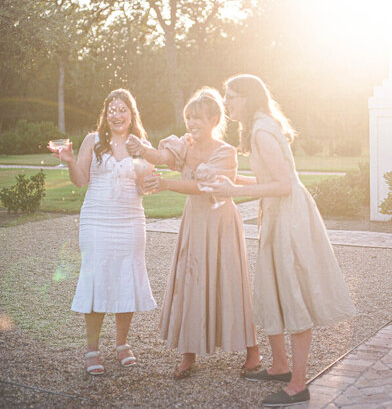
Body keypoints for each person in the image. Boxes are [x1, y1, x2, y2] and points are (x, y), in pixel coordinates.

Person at [207, 75, 356, 407]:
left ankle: (298, 385)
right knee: (271, 288)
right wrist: (232, 179)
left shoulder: (261, 130)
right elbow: (268, 178)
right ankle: (279, 367)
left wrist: (234, 190)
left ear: (249, 98)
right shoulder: (259, 127)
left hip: (289, 220)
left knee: (292, 292)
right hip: (279, 215)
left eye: (232, 96)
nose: (227, 102)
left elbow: (284, 185)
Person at [126, 87, 260, 379]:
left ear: (213, 119)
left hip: (221, 224)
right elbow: (161, 155)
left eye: (198, 117)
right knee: (191, 281)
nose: (191, 123)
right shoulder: (184, 144)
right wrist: (141, 148)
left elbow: (203, 187)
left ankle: (252, 350)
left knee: (230, 283)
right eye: (189, 117)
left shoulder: (226, 153)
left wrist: (166, 184)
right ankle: (189, 352)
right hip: (194, 222)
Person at [49, 89, 156, 375]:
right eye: (112, 110)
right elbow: (80, 180)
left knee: (126, 277)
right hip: (96, 220)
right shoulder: (92, 140)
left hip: (130, 220)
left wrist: (144, 165)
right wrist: (70, 161)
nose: (117, 115)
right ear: (105, 115)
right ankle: (92, 349)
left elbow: (146, 186)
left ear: (131, 114)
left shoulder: (141, 145)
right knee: (96, 278)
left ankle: (122, 344)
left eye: (122, 110)